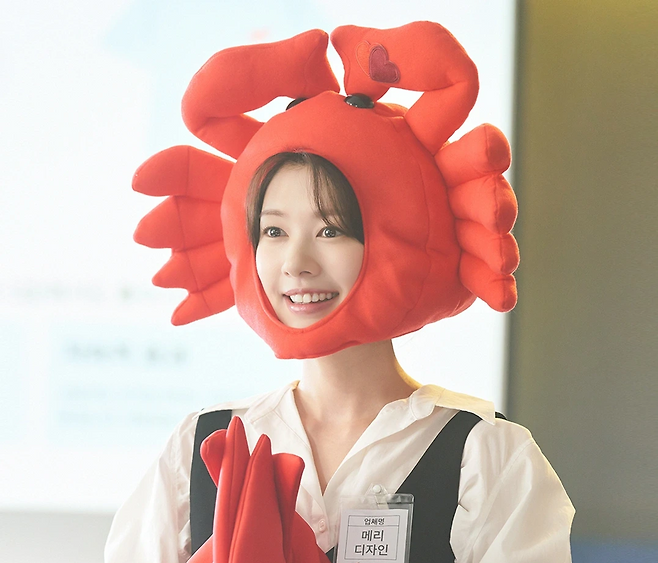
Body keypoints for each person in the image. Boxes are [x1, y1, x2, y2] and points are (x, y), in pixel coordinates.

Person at [105, 21, 574, 563]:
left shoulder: (484, 455)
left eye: (330, 230)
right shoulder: (200, 447)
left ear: (396, 237)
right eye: (273, 231)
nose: (296, 264)